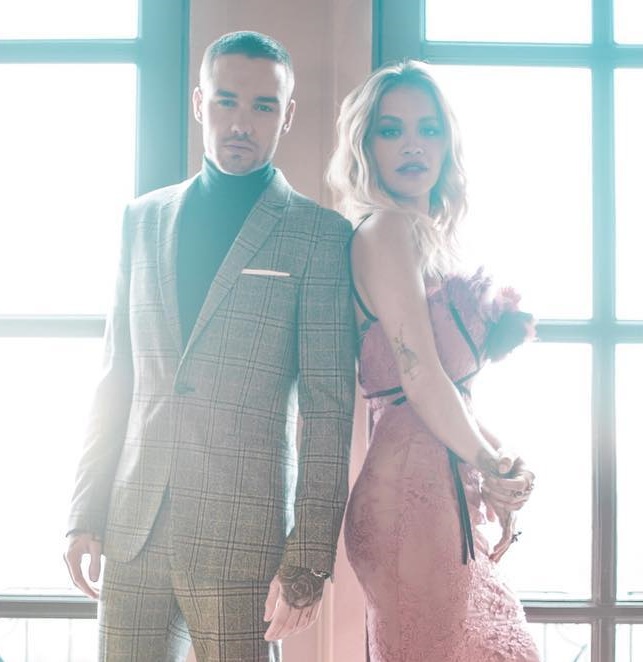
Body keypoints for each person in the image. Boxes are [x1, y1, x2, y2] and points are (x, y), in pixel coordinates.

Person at [63, 31, 356, 662]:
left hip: (242, 540)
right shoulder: (141, 220)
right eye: (226, 100)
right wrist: (85, 511)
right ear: (200, 102)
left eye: (262, 105)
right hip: (133, 526)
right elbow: (116, 377)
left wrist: (308, 560)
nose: (241, 122)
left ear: (287, 114)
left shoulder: (320, 236)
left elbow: (328, 411)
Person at [327, 60, 541, 661]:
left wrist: (497, 465)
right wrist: (490, 462)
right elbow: (418, 378)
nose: (412, 145)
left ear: (448, 143)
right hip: (407, 502)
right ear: (366, 145)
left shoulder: (429, 238)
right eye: (390, 130)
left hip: (449, 496)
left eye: (428, 129)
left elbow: (449, 390)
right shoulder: (385, 229)